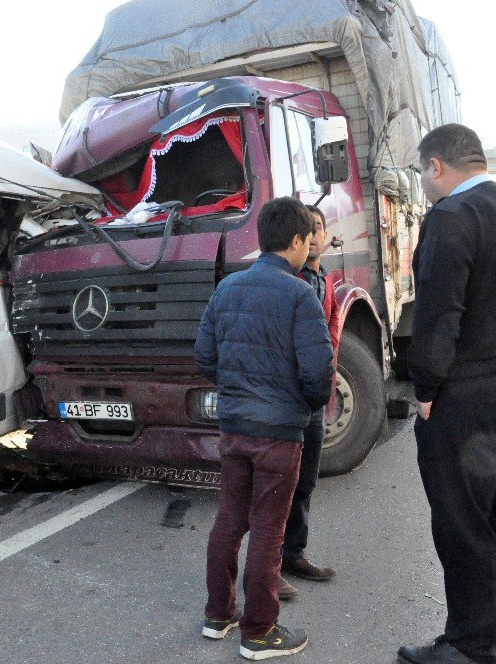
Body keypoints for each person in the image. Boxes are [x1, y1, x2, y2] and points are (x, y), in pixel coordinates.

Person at [398, 123, 496, 664]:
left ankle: (466, 645)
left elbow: (439, 312)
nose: (423, 184)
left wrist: (426, 388)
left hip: (473, 398)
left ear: (437, 166)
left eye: (421, 172)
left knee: (464, 523)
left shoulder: (453, 217)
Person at [195, 197, 334, 660]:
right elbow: (318, 374)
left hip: (233, 427)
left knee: (230, 520)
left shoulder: (227, 289)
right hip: (279, 431)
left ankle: (219, 615)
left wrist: (237, 389)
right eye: (306, 239)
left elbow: (205, 357)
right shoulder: (299, 294)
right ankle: (259, 632)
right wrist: (302, 405)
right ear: (296, 242)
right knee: (269, 532)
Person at [278, 205, 341, 601]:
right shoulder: (288, 281)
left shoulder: (324, 280)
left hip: (313, 401)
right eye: (309, 230)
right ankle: (266, 566)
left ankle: (293, 554)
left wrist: (325, 375)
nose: (316, 236)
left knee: (305, 482)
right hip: (287, 401)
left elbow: (331, 330)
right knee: (277, 485)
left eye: (320, 228)